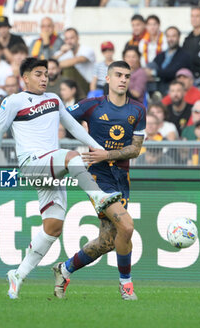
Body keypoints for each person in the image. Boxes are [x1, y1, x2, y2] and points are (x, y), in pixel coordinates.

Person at [0, 57, 121, 299]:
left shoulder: (54, 100)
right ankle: (99, 197)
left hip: (51, 166)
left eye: (46, 74)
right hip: (33, 163)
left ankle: (18, 274)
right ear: (25, 77)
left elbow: (76, 128)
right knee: (71, 157)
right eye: (38, 74)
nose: (44, 78)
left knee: (53, 227)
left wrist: (98, 148)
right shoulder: (13, 101)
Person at [52, 61, 146, 301]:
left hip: (121, 177)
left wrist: (108, 153)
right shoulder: (91, 106)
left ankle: (65, 269)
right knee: (127, 226)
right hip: (97, 176)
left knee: (108, 241)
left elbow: (135, 149)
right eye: (118, 75)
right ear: (108, 78)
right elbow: (59, 117)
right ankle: (126, 285)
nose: (123, 79)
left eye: (127, 75)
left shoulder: (137, 110)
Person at [145, 26, 191, 96]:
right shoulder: (161, 55)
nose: (170, 39)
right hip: (157, 85)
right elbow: (152, 68)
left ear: (178, 37)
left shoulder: (184, 55)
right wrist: (147, 72)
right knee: (149, 66)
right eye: (168, 36)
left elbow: (172, 72)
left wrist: (153, 73)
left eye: (173, 36)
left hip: (171, 88)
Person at [54, 28, 96, 95]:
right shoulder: (64, 52)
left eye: (72, 38)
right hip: (71, 86)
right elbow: (49, 64)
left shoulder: (87, 50)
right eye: (67, 39)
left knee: (68, 68)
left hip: (88, 86)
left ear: (77, 38)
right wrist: (61, 53)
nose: (69, 41)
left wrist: (56, 66)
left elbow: (77, 60)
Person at [183, 7, 200, 86]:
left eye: (197, 16)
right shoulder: (188, 38)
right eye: (192, 16)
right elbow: (184, 58)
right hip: (189, 75)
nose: (194, 19)